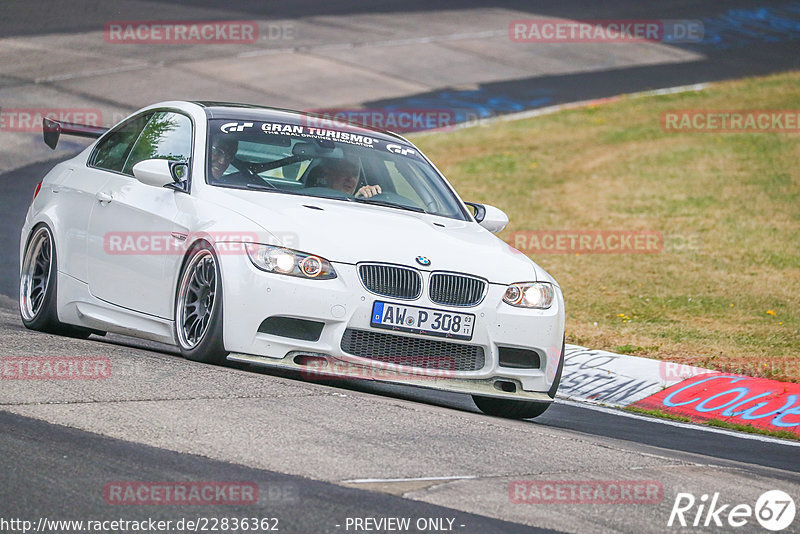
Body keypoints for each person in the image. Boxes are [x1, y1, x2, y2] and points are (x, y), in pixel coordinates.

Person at [308, 159, 381, 198]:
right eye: (344, 172)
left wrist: (362, 199)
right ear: (326, 174)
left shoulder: (361, 206)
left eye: (355, 174)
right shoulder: (306, 200)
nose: (351, 178)